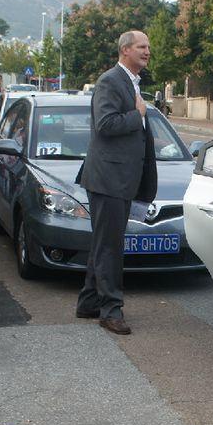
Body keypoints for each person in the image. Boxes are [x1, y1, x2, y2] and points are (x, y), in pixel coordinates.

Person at [75, 30, 158, 335]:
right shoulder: (110, 80)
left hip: (120, 179)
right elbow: (106, 124)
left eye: (148, 47)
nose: (147, 51)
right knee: (110, 247)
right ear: (125, 50)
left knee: (104, 244)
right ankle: (111, 310)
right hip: (108, 179)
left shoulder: (132, 82)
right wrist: (137, 115)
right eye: (141, 46)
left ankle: (88, 302)